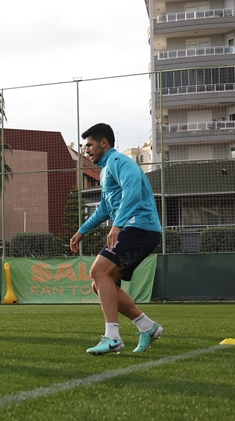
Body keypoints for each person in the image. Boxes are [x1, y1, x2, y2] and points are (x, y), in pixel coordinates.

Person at [69, 123, 164, 356]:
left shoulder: (119, 162)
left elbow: (133, 188)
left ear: (104, 143)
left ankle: (112, 337)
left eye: (89, 145)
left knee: (97, 272)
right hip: (138, 230)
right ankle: (147, 327)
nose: (86, 150)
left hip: (139, 228)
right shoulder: (106, 170)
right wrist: (81, 232)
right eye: (84, 146)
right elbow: (104, 208)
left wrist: (118, 225)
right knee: (100, 283)